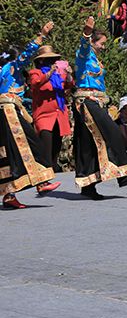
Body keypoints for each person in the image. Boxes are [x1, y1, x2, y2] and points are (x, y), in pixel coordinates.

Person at [73, 16, 127, 199]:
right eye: (101, 43)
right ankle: (122, 174)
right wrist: (86, 32)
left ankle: (88, 186)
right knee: (112, 132)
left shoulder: (94, 58)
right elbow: (83, 46)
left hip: (95, 102)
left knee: (89, 145)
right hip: (86, 101)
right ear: (93, 42)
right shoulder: (84, 55)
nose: (104, 46)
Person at [1, 24, 62, 209]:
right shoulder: (12, 66)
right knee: (30, 144)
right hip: (8, 110)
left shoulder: (4, 70)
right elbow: (26, 55)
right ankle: (41, 183)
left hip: (6, 111)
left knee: (7, 154)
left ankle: (9, 195)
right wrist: (42, 36)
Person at [28, 45, 72, 178]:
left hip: (59, 113)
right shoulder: (35, 73)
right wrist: (49, 73)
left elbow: (69, 85)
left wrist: (69, 74)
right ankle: (45, 171)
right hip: (44, 114)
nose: (51, 62)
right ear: (40, 61)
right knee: (46, 141)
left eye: (53, 59)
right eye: (48, 59)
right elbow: (36, 83)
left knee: (57, 144)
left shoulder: (60, 73)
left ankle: (53, 169)